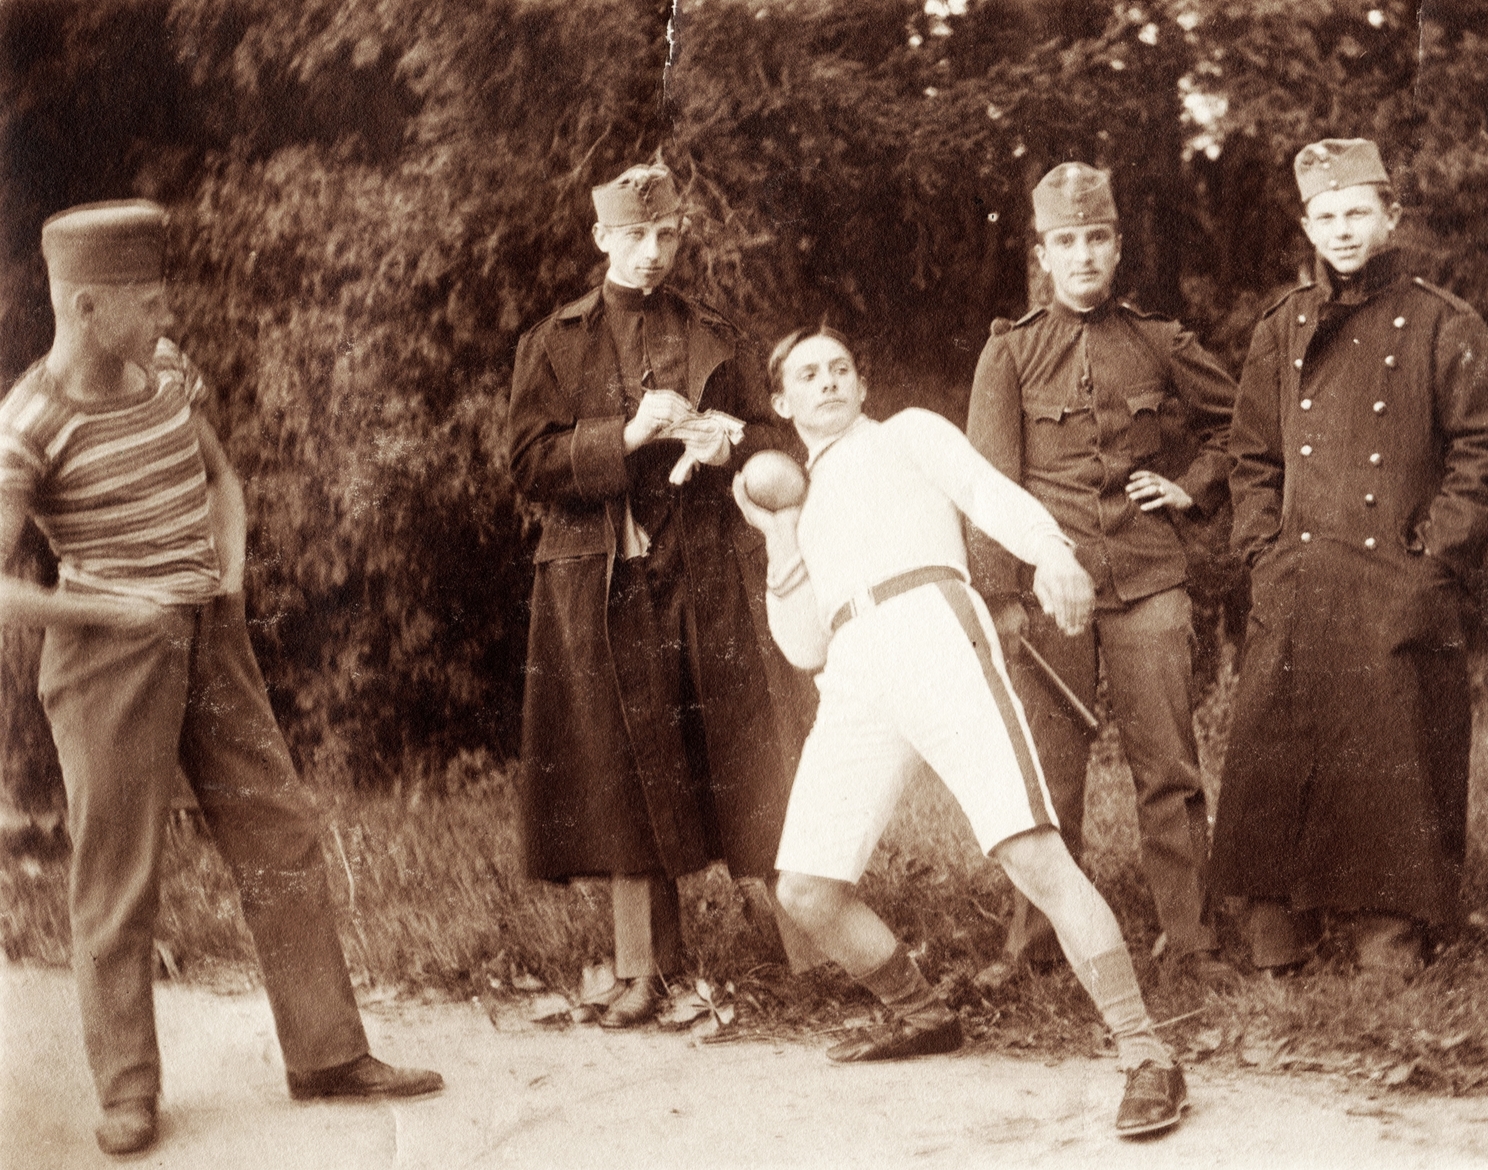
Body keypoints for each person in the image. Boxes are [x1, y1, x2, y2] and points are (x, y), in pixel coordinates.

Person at [0, 201, 443, 1158]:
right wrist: (116, 612)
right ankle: (126, 1093)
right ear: (85, 308)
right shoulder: (28, 420)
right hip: (108, 662)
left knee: (279, 830)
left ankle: (327, 1056)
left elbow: (221, 477)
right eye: (145, 300)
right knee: (118, 880)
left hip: (210, 636)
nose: (164, 315)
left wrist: (229, 578)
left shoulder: (166, 369)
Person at [734, 326, 1188, 1137]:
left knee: (1029, 850)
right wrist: (776, 535)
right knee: (805, 887)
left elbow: (989, 495)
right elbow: (803, 646)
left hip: (933, 629)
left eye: (842, 367)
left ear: (861, 386)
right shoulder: (796, 500)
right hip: (853, 669)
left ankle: (1146, 1054)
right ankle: (920, 1013)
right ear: (781, 402)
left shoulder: (906, 433)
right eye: (809, 374)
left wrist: (1051, 554)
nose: (829, 382)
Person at [507, 161, 813, 1029]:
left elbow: (768, 431)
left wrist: (731, 446)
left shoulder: (716, 330)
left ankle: (807, 948)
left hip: (707, 569)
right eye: (632, 236)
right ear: (601, 239)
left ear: (680, 235)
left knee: (748, 747)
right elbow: (527, 463)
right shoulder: (554, 342)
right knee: (620, 765)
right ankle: (646, 971)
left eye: (665, 235)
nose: (650, 253)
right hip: (601, 577)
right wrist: (625, 435)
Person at [1210, 139, 1488, 976]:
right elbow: (1252, 457)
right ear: (1306, 225)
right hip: (1299, 580)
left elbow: (1487, 452)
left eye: (1358, 213)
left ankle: (1393, 934)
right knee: (1279, 754)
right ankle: (1281, 935)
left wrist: (1435, 557)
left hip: (1395, 582)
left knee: (1396, 758)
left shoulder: (1442, 323)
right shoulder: (1281, 327)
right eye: (1327, 216)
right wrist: (1262, 551)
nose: (1343, 231)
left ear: (1390, 216)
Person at [965, 163, 1237, 988]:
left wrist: (1191, 486)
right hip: (1054, 589)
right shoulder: (1009, 353)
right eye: (1065, 242)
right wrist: (1004, 599)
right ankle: (1036, 946)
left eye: (1096, 239)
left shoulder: (1158, 341)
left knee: (1169, 766)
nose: (1082, 255)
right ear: (1042, 253)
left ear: (1117, 248)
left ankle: (1191, 943)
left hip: (1151, 576)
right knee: (1049, 774)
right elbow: (988, 487)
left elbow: (1244, 425)